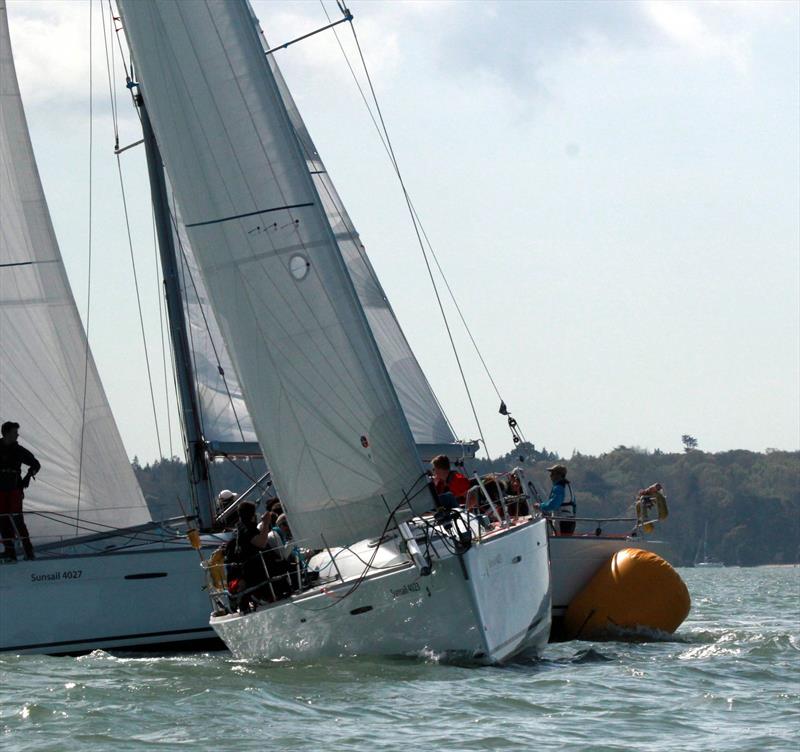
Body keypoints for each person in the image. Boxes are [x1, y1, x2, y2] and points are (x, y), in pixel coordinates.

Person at [0, 421, 40, 561]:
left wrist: (28, 476)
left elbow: (36, 464)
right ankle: (10, 552)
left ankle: (28, 552)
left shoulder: (19, 450)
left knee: (17, 520)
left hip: (14, 489)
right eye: (15, 432)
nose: (17, 435)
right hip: (1, 490)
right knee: (3, 520)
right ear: (6, 433)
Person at [540, 464, 576, 535]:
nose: (550, 476)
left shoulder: (559, 487)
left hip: (562, 521)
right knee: (565, 543)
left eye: (552, 473)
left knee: (559, 541)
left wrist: (540, 506)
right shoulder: (568, 486)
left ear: (559, 475)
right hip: (571, 520)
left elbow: (553, 504)